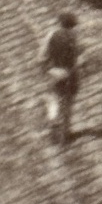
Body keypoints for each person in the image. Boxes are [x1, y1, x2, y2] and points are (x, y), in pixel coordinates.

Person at [40, 11, 80, 144]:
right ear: (72, 25)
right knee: (68, 104)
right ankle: (65, 133)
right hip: (70, 74)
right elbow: (78, 58)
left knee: (54, 100)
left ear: (60, 23)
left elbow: (42, 55)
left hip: (54, 71)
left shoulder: (51, 35)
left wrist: (45, 68)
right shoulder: (74, 37)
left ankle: (53, 123)